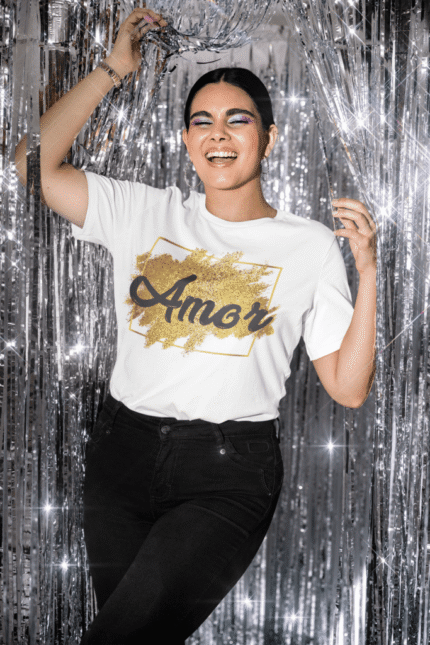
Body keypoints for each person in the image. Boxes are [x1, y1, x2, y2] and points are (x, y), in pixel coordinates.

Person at [15, 5, 377, 644]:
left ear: (270, 137)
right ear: (186, 142)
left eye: (238, 119)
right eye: (201, 122)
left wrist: (368, 270)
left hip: (227, 474)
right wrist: (112, 69)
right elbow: (31, 165)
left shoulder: (310, 245)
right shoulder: (143, 212)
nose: (218, 134)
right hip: (122, 456)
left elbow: (348, 388)